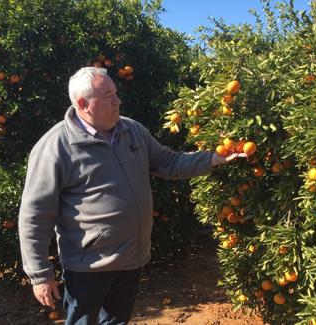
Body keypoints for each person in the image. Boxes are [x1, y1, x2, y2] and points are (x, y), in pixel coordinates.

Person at [18, 67, 245, 325]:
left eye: (116, 93)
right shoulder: (56, 146)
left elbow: (169, 162)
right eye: (108, 96)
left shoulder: (132, 131)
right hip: (88, 266)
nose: (117, 101)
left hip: (131, 259)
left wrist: (214, 158)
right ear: (83, 104)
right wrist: (40, 275)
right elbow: (34, 216)